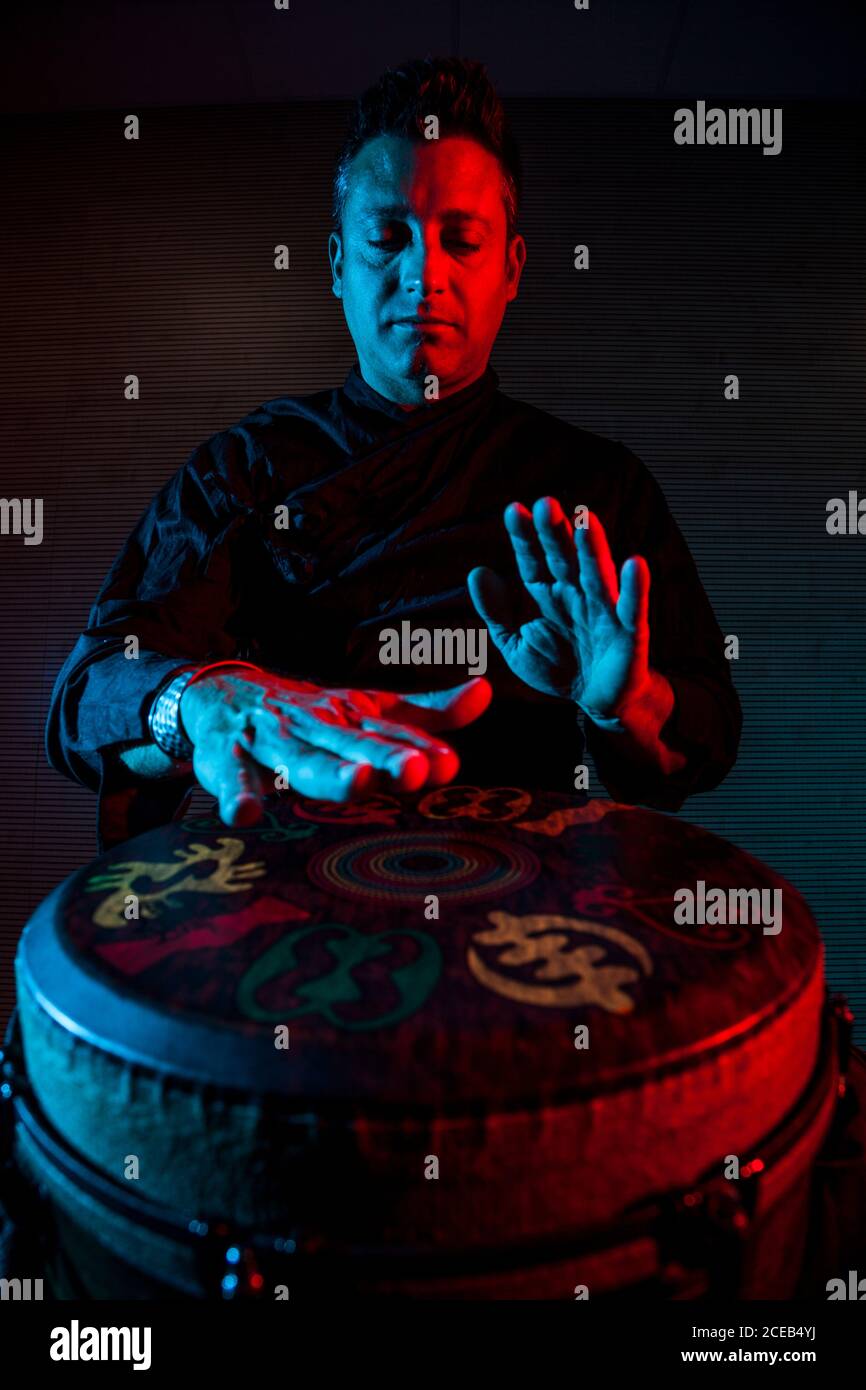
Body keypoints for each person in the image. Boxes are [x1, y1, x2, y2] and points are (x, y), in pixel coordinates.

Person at [45, 56, 741, 851]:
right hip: (289, 893)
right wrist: (199, 704)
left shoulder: (596, 486)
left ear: (511, 269)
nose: (423, 275)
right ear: (340, 266)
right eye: (387, 238)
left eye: (461, 241)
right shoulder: (242, 468)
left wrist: (627, 704)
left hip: (526, 904)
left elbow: (705, 734)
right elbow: (88, 692)